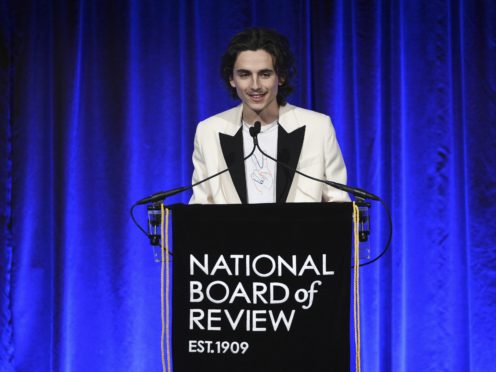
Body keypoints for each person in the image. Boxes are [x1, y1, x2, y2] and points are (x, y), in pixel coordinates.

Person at [189, 28, 349, 204]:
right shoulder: (209, 132)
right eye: (245, 75)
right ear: (232, 79)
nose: (255, 85)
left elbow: (338, 204)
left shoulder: (318, 127)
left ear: (280, 77)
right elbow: (200, 208)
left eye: (265, 74)